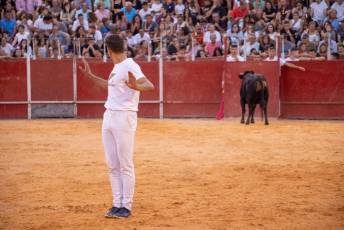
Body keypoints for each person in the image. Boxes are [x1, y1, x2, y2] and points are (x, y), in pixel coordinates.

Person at [78, 34, 154, 218]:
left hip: (124, 117)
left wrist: (136, 87)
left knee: (125, 164)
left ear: (109, 50)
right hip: (110, 116)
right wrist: (90, 76)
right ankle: (116, 203)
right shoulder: (117, 67)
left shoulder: (129, 65)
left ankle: (126, 206)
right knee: (113, 164)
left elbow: (149, 85)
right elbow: (109, 86)